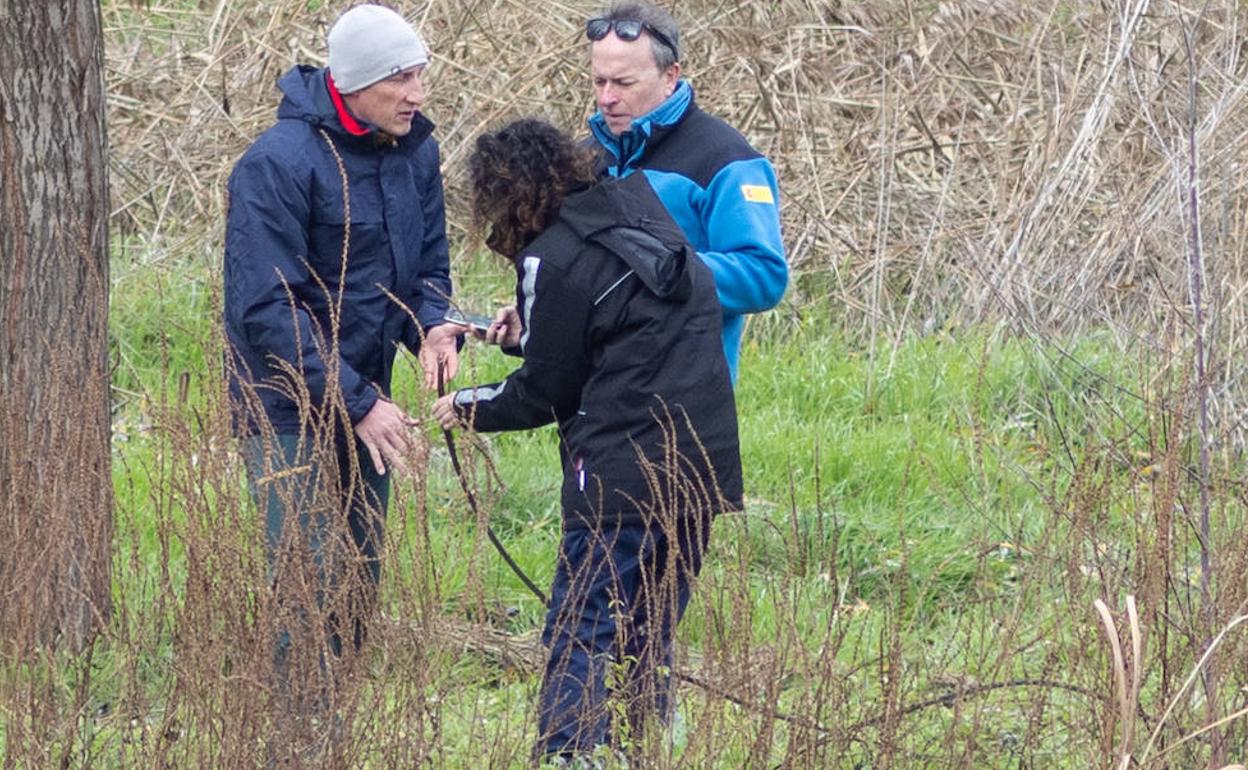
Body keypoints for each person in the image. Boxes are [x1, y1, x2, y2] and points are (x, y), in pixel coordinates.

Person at [432, 119, 743, 764]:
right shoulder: (637, 206)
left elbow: (544, 392)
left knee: (582, 624)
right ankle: (646, 746)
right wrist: (530, 332)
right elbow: (621, 325)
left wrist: (464, 407)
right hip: (702, 460)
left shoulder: (552, 255)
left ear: (504, 195)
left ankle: (570, 752)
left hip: (621, 470)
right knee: (650, 627)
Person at [223, 3, 459, 715]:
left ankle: (336, 724)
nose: (417, 92)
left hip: (367, 398)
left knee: (359, 576)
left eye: (420, 74)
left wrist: (433, 326)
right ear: (355, 83)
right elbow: (266, 308)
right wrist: (354, 399)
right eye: (402, 78)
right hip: (285, 403)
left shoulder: (415, 147)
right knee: (309, 577)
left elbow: (426, 264)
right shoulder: (276, 165)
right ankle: (297, 739)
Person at [584, 2, 788, 383]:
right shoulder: (584, 160)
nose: (607, 98)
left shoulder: (727, 160)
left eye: (624, 83)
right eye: (599, 81)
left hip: (688, 398)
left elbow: (764, 276)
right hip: (592, 403)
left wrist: (658, 269)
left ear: (670, 76)